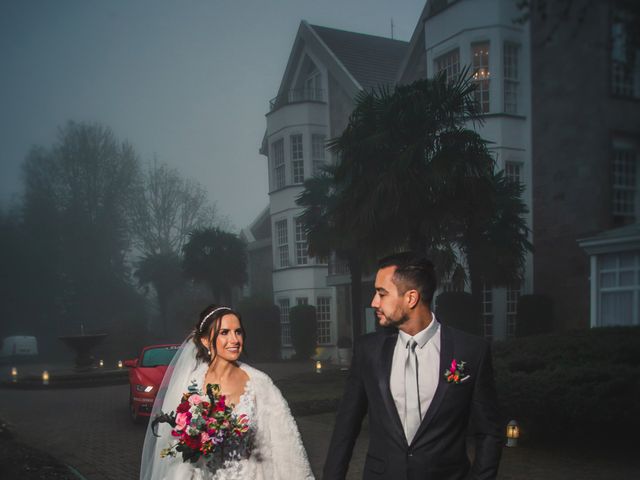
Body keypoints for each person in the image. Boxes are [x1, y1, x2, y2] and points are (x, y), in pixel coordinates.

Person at [323, 252, 503, 480]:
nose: (374, 302)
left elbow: (489, 433)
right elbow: (345, 428)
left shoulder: (470, 351)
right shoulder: (368, 350)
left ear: (411, 298)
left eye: (381, 293)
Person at [140, 305, 314, 480]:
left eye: (238, 332)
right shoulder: (190, 384)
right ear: (206, 341)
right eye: (224, 332)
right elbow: (174, 448)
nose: (234, 339)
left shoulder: (260, 383)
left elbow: (285, 445)